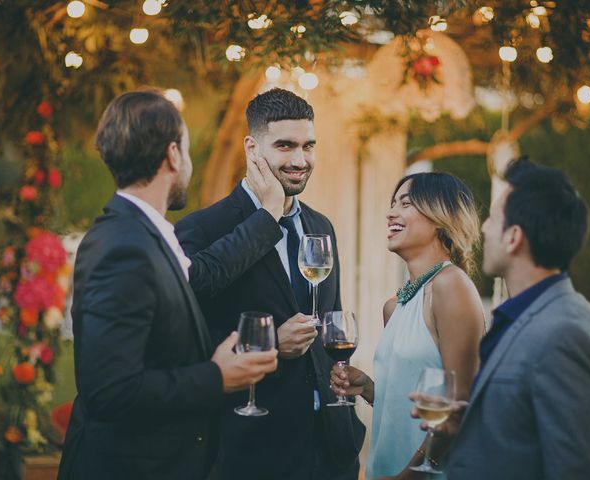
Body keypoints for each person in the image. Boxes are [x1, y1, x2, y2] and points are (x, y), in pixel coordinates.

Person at [57, 89, 281, 480]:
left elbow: (200, 275)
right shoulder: (124, 247)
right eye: (189, 153)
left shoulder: (143, 233)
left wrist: (268, 215)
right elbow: (110, 391)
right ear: (174, 155)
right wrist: (217, 376)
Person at [176, 88, 365, 480]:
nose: (300, 160)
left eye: (308, 146)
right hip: (249, 450)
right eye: (285, 146)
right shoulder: (203, 229)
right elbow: (186, 341)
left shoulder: (320, 226)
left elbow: (331, 326)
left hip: (329, 452)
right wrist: (271, 344)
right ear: (252, 147)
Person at [444, 158, 590, 480]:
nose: (483, 228)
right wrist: (466, 420)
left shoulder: (565, 332)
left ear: (513, 237)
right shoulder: (523, 315)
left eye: (492, 218)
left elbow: (575, 471)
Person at [330, 172, 485, 479]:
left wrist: (409, 476)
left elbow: (461, 410)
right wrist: (369, 389)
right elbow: (410, 408)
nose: (391, 213)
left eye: (406, 203)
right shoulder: (395, 305)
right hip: (385, 470)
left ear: (441, 216)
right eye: (392, 204)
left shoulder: (451, 286)